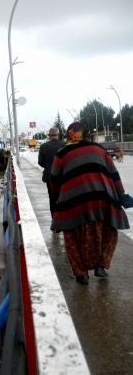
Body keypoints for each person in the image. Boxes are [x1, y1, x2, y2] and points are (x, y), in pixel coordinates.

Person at [50, 122, 130, 285]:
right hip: (103, 200)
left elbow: (54, 182)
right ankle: (100, 265)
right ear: (86, 134)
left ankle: (82, 274)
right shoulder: (99, 150)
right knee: (107, 233)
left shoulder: (61, 154)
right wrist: (120, 195)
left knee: (73, 238)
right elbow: (114, 175)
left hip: (74, 202)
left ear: (68, 134)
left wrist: (59, 199)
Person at [38, 127, 65, 216]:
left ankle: (54, 219)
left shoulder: (43, 146)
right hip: (63, 177)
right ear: (58, 135)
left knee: (52, 198)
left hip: (50, 177)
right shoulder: (64, 145)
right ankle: (64, 218)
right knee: (64, 197)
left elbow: (40, 162)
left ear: (49, 136)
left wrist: (49, 167)